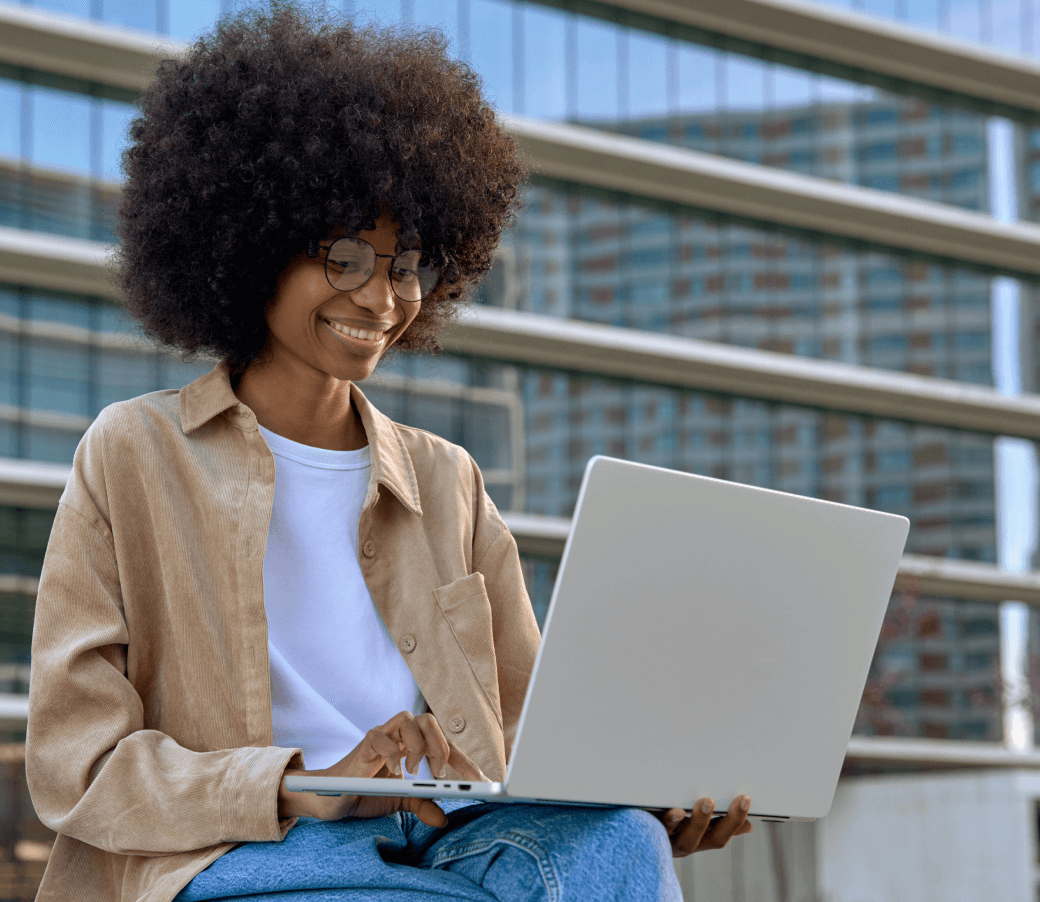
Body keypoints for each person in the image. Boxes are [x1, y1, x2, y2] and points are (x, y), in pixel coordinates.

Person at [24, 4, 753, 900]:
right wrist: (300, 784)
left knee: (621, 847)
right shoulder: (133, 454)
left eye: (403, 263)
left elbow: (531, 736)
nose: (380, 298)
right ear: (248, 249)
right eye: (342, 258)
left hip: (440, 838)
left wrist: (653, 797)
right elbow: (78, 763)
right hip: (241, 851)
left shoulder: (449, 481)